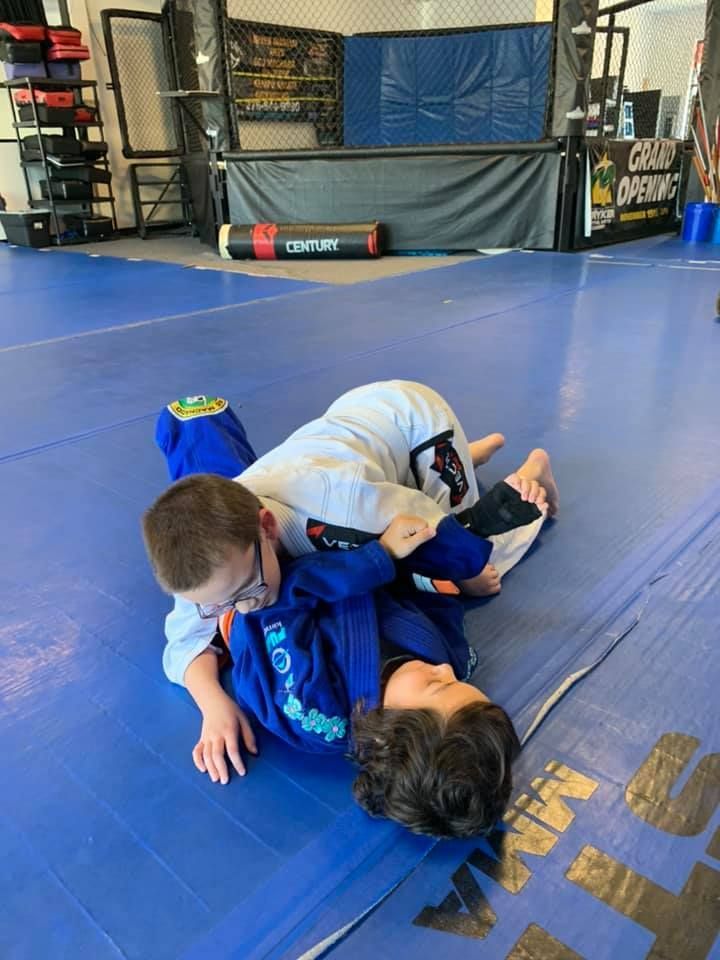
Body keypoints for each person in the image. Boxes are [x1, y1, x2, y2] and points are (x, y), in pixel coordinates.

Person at [142, 381, 559, 837]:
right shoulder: (441, 659)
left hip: (371, 467)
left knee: (211, 488)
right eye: (458, 680)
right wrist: (456, 585)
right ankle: (506, 471)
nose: (445, 667)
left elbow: (275, 600)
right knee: (480, 562)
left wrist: (213, 703)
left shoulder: (308, 696)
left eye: (439, 686)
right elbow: (432, 597)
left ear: (391, 729)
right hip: (365, 457)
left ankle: (194, 420)